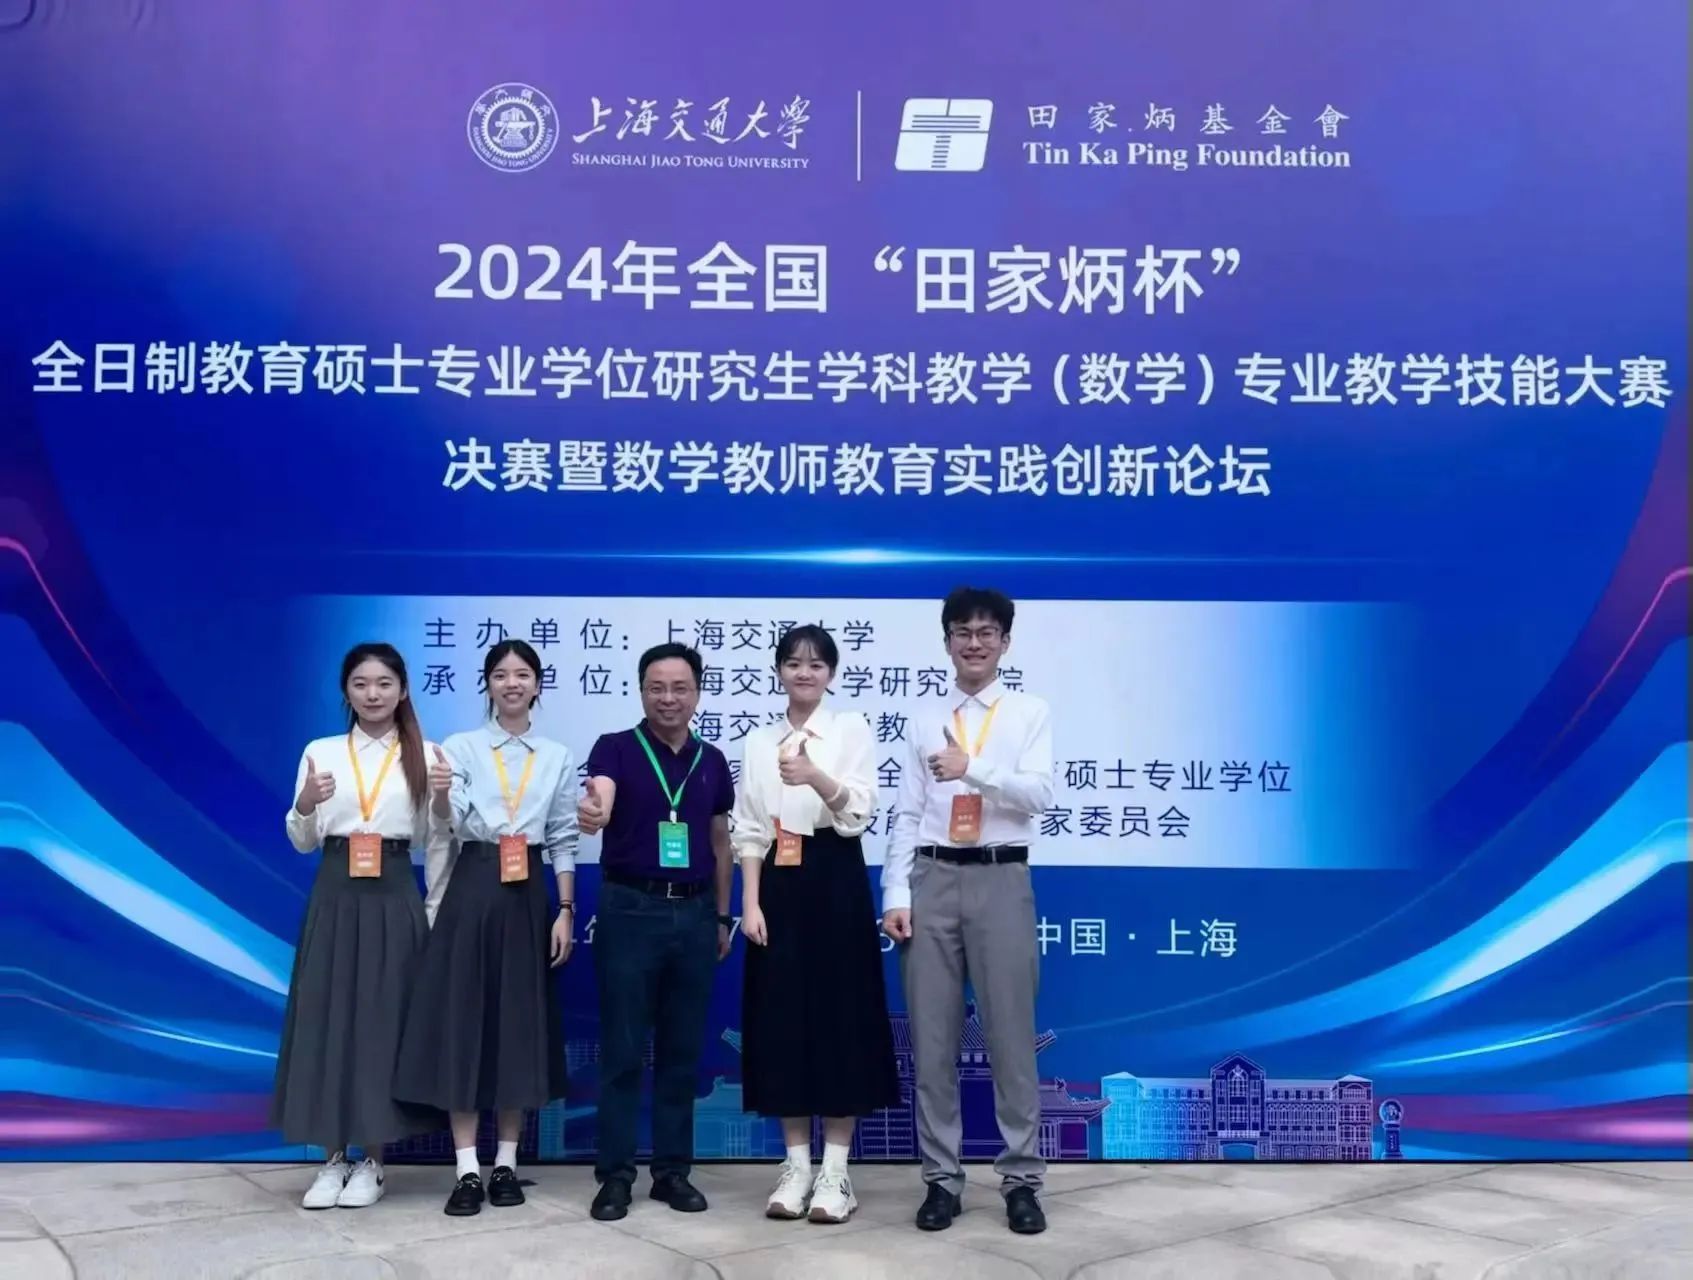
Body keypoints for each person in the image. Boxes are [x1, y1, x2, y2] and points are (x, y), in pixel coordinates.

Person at [881, 587, 1053, 1236]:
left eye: (986, 632)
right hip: (931, 878)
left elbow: (1038, 794)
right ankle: (940, 1180)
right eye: (962, 632)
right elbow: (905, 812)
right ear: (947, 641)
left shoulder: (1028, 711)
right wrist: (896, 894)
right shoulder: (925, 717)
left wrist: (971, 767)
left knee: (1011, 1037)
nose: (973, 643)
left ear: (1005, 641)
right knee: (931, 1041)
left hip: (1001, 877)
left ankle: (1021, 1181)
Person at [393, 640, 579, 1217]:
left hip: (528, 894)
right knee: (464, 1025)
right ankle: (466, 1169)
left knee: (517, 1028)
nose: (511, 683)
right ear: (487, 685)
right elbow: (447, 824)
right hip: (474, 885)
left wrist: (565, 909)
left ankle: (506, 1164)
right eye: (500, 675)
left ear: (537, 684)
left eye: (522, 674)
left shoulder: (556, 756)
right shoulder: (462, 747)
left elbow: (564, 835)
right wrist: (440, 797)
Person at [272, 642, 451, 1210]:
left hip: (395, 892)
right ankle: (331, 1160)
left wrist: (433, 910)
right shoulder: (321, 752)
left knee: (383, 1023)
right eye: (361, 684)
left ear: (403, 690)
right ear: (346, 692)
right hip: (335, 892)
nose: (373, 694)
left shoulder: (428, 754)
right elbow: (302, 841)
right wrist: (305, 803)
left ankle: (374, 1161)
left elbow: (437, 840)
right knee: (329, 1020)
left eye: (384, 684)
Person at [733, 624, 901, 1224]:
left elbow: (858, 812)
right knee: (781, 1019)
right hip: (776, 878)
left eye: (816, 664)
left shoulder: (849, 728)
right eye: (793, 663)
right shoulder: (758, 741)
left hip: (834, 872)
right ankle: (796, 1166)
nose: (804, 673)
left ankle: (836, 1171)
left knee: (839, 1018)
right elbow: (748, 828)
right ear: (779, 670)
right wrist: (751, 902)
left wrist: (815, 777)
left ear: (831, 674)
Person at [577, 642, 735, 1222]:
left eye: (680, 688)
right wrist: (594, 812)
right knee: (622, 1051)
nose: (669, 698)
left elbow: (720, 843)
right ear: (641, 691)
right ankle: (615, 1176)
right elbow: (600, 796)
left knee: (681, 1051)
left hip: (695, 914)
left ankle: (672, 1173)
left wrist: (722, 916)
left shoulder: (712, 760)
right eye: (657, 688)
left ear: (697, 693)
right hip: (630, 909)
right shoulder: (615, 748)